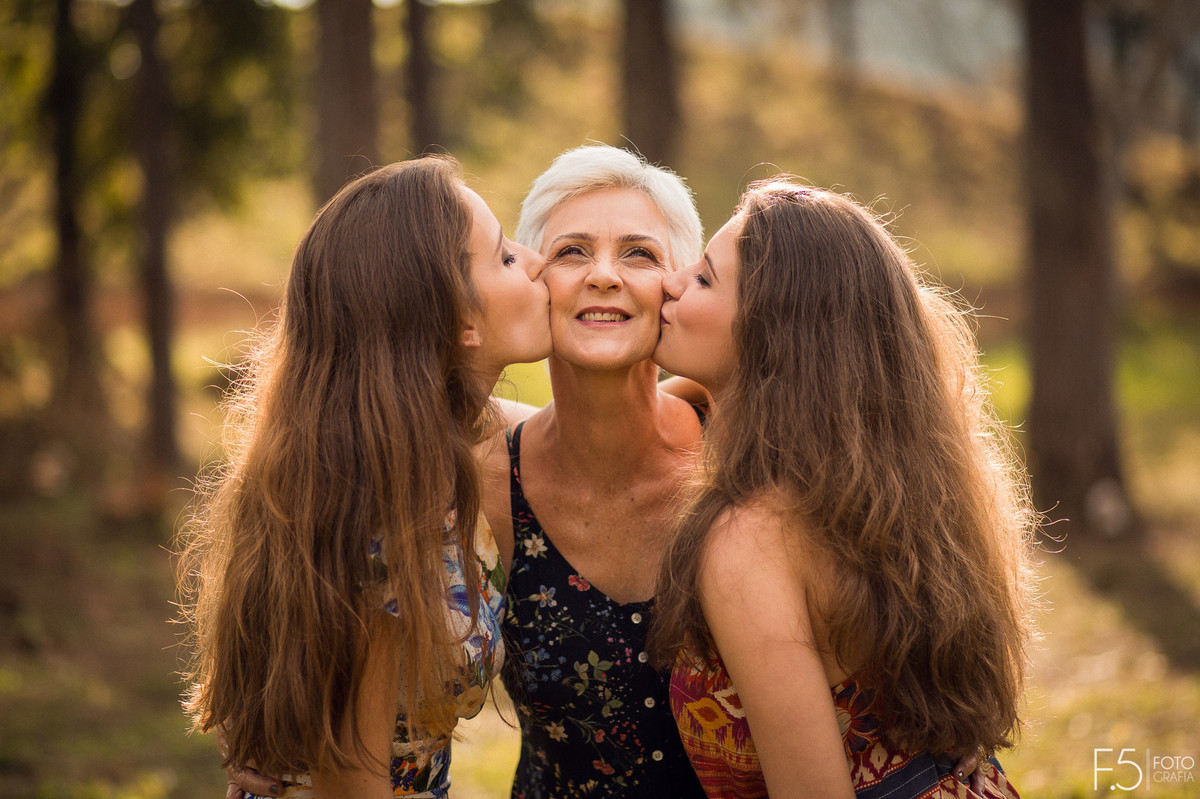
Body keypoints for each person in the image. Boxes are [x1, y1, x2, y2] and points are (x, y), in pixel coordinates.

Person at [179, 155, 552, 799]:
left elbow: (566, 433)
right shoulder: (382, 529)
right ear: (458, 322)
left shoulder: (419, 445)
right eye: (506, 259)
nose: (538, 260)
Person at [650, 179, 1036, 797]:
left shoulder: (750, 538)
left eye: (703, 278)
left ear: (773, 335)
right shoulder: (880, 488)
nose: (670, 280)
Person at [478, 143, 710, 798]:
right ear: (531, 280)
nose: (604, 275)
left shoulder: (741, 446)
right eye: (572, 251)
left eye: (638, 253)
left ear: (680, 283)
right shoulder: (488, 478)